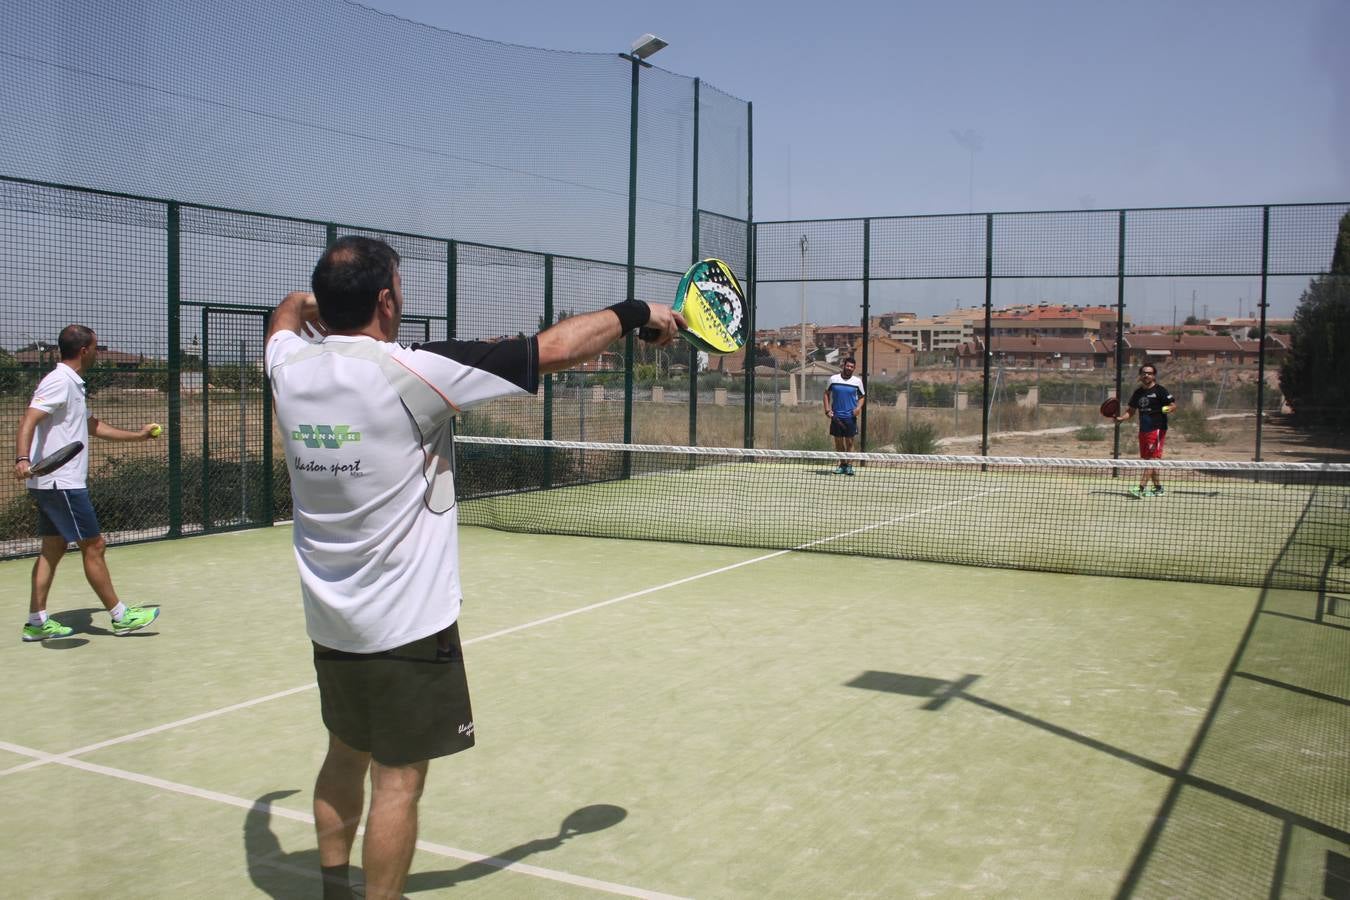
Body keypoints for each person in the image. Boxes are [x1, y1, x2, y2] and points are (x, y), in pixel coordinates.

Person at [265, 235, 683, 900]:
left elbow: (284, 316)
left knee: (344, 755)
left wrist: (311, 299)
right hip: (405, 629)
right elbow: (556, 348)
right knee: (398, 783)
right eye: (397, 287)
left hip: (330, 622)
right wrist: (636, 311)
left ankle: (331, 890)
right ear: (384, 300)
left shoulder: (287, 366)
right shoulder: (411, 371)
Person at [12, 325, 162, 641]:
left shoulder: (74, 385)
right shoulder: (59, 382)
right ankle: (121, 616)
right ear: (84, 350)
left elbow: (92, 426)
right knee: (94, 545)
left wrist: (139, 435)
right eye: (96, 347)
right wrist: (22, 459)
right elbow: (28, 419)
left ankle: (36, 622)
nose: (98, 352)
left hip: (53, 484)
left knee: (51, 549)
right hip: (61, 482)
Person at [1115, 363, 1176, 498]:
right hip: (1144, 430)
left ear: (1154, 376)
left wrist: (1162, 410)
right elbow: (1130, 411)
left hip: (1157, 429)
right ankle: (1158, 488)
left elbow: (1172, 406)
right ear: (1140, 375)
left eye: (1149, 373)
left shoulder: (1160, 390)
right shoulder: (1138, 393)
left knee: (1152, 459)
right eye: (1144, 373)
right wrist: (1121, 418)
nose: (1146, 375)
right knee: (1148, 459)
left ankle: (1141, 488)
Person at [823, 356, 866, 475]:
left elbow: (862, 397)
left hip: (850, 417)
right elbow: (826, 394)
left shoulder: (857, 381)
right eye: (847, 366)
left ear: (854, 368)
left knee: (850, 442)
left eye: (851, 367)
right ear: (843, 366)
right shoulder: (833, 379)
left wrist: (858, 408)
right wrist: (827, 410)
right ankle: (842, 465)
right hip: (836, 417)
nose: (849, 368)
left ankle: (849, 466)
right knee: (838, 442)